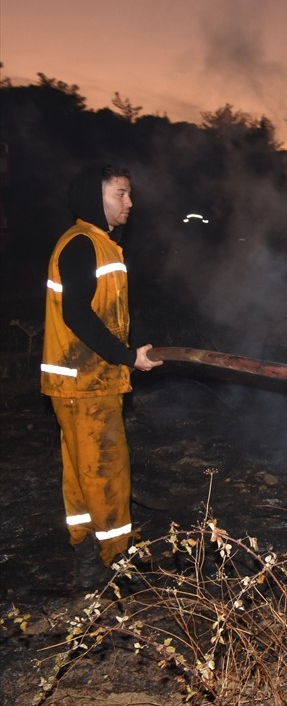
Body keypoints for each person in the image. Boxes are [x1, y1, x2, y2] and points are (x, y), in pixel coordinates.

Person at [41, 164, 162, 589]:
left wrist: (129, 351)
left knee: (82, 472)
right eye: (121, 194)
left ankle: (88, 553)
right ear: (97, 197)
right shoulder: (82, 244)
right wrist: (127, 357)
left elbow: (107, 315)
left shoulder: (100, 245)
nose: (130, 203)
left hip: (82, 381)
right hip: (85, 381)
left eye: (129, 194)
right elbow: (77, 313)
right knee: (107, 470)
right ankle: (116, 559)